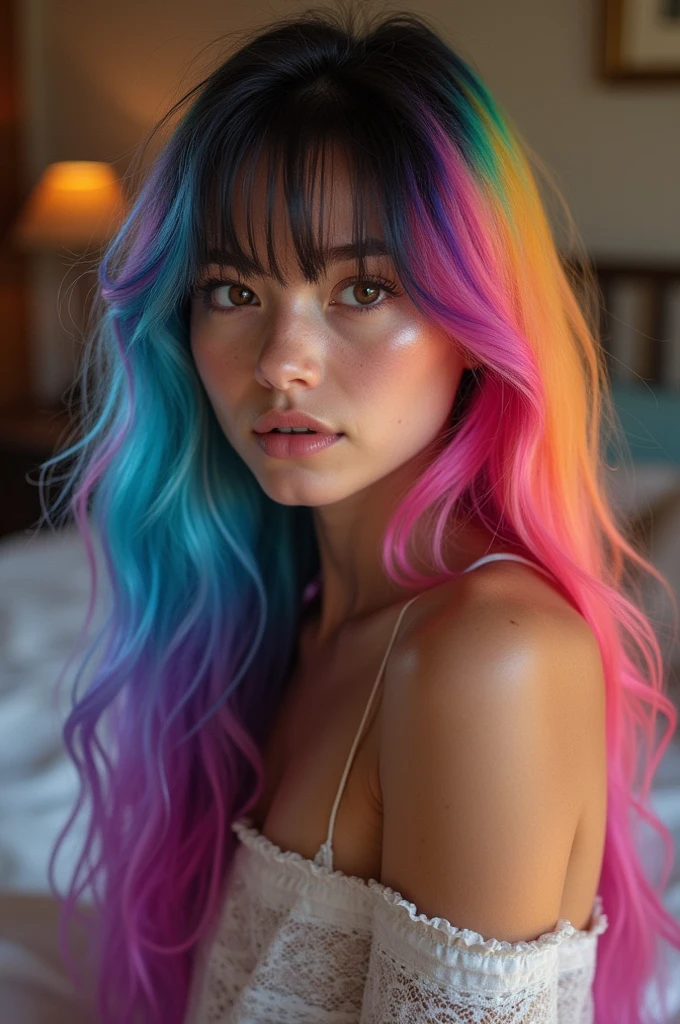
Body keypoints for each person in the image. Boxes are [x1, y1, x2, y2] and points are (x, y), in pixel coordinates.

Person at [42, 4, 680, 1022]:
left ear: (475, 326)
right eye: (230, 287)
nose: (282, 361)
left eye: (362, 286)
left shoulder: (487, 657)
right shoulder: (283, 620)